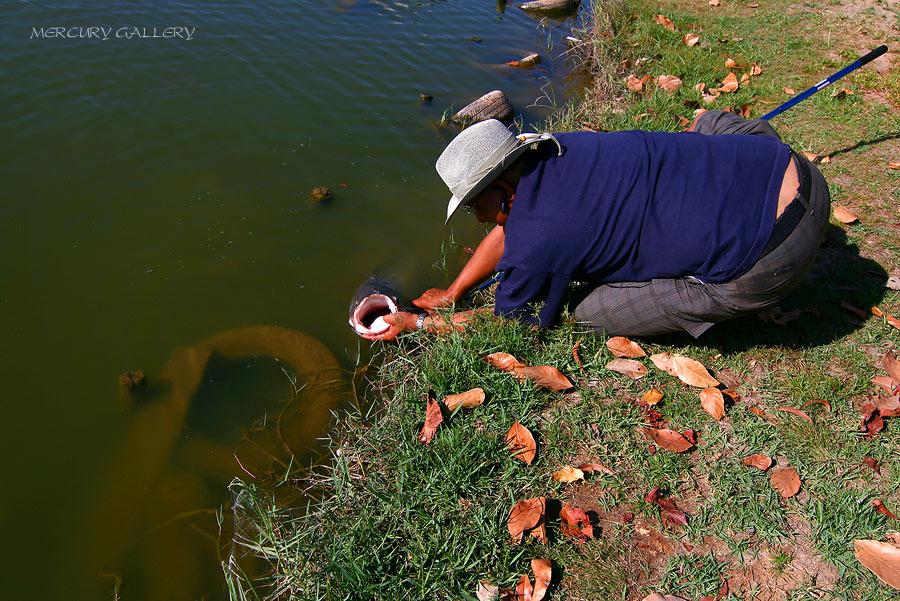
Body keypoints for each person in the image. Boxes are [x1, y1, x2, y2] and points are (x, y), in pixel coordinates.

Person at [362, 110, 830, 341]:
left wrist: (418, 323)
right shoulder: (555, 147)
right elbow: (508, 228)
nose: (478, 218)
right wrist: (454, 289)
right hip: (796, 170)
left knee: (587, 313)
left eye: (474, 206)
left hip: (776, 256)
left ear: (503, 189)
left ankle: (716, 284)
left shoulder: (536, 242)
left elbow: (515, 325)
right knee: (709, 125)